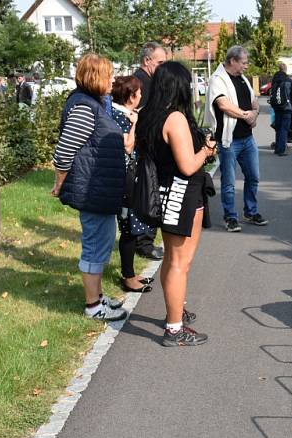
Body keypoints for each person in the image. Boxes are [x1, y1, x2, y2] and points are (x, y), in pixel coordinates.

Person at [137, 61, 216, 347]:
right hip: (183, 195)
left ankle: (175, 311)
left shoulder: (147, 115)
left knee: (172, 259)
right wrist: (207, 149)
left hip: (164, 194)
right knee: (180, 263)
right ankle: (174, 328)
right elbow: (187, 165)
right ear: (179, 86)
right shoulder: (175, 119)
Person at [51, 53, 127, 322]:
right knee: (95, 244)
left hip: (99, 188)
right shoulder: (84, 107)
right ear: (96, 78)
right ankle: (93, 306)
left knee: (102, 241)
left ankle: (98, 295)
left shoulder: (94, 103)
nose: (113, 79)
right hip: (91, 189)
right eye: (109, 75)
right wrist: (59, 182)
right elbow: (65, 150)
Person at [205, 45, 268, 233]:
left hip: (247, 139)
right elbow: (223, 104)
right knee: (229, 182)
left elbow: (254, 102)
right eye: (244, 62)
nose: (246, 66)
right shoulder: (217, 79)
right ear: (232, 61)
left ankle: (251, 211)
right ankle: (230, 217)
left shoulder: (242, 80)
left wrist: (254, 114)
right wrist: (245, 115)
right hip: (229, 140)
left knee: (253, 177)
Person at [110, 75, 155, 293]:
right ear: (130, 96)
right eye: (138, 93)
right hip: (124, 178)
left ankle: (130, 272)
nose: (140, 96)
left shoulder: (122, 112)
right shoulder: (119, 116)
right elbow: (127, 146)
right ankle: (128, 277)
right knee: (128, 227)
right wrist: (135, 125)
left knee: (132, 228)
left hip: (130, 175)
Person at [132, 42, 168, 260]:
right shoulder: (140, 83)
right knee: (148, 194)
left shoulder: (150, 81)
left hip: (148, 147)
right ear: (147, 61)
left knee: (150, 193)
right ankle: (144, 242)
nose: (163, 67)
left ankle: (144, 240)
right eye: (160, 62)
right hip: (144, 149)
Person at [270, 62, 292, 156]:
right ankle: (281, 150)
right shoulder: (287, 80)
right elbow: (291, 92)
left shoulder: (274, 80)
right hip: (286, 107)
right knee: (284, 129)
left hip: (276, 107)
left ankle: (277, 148)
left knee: (278, 128)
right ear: (285, 69)